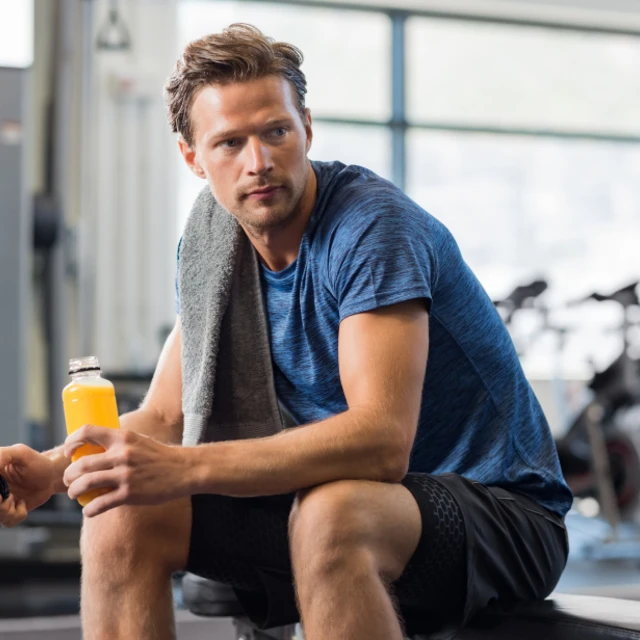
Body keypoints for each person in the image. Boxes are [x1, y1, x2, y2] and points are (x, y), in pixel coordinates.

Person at [0, 23, 572, 640]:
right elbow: (165, 417)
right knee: (119, 515)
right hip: (334, 503)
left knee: (334, 511)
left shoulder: (372, 229)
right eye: (229, 143)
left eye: (276, 131)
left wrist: (185, 469)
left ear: (306, 125)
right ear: (193, 157)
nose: (260, 162)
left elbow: (381, 443)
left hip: (502, 513)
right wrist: (57, 470)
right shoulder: (213, 241)